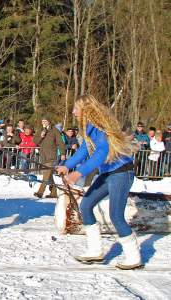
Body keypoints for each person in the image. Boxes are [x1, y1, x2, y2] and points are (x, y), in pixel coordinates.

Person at [56, 94, 142, 270]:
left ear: (86, 110)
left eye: (76, 109)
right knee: (86, 205)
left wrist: (78, 172)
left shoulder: (101, 128)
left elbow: (100, 154)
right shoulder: (89, 130)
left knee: (116, 216)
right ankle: (95, 251)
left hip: (121, 173)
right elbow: (83, 151)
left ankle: (134, 257)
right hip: (108, 173)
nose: (73, 112)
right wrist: (67, 165)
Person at [33, 116, 66, 198]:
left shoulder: (54, 130)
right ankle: (54, 192)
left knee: (46, 175)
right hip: (43, 156)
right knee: (49, 175)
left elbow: (61, 143)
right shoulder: (40, 130)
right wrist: (41, 136)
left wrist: (63, 153)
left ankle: (40, 192)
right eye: (42, 121)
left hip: (51, 156)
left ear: (49, 122)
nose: (43, 123)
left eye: (45, 121)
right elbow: (35, 141)